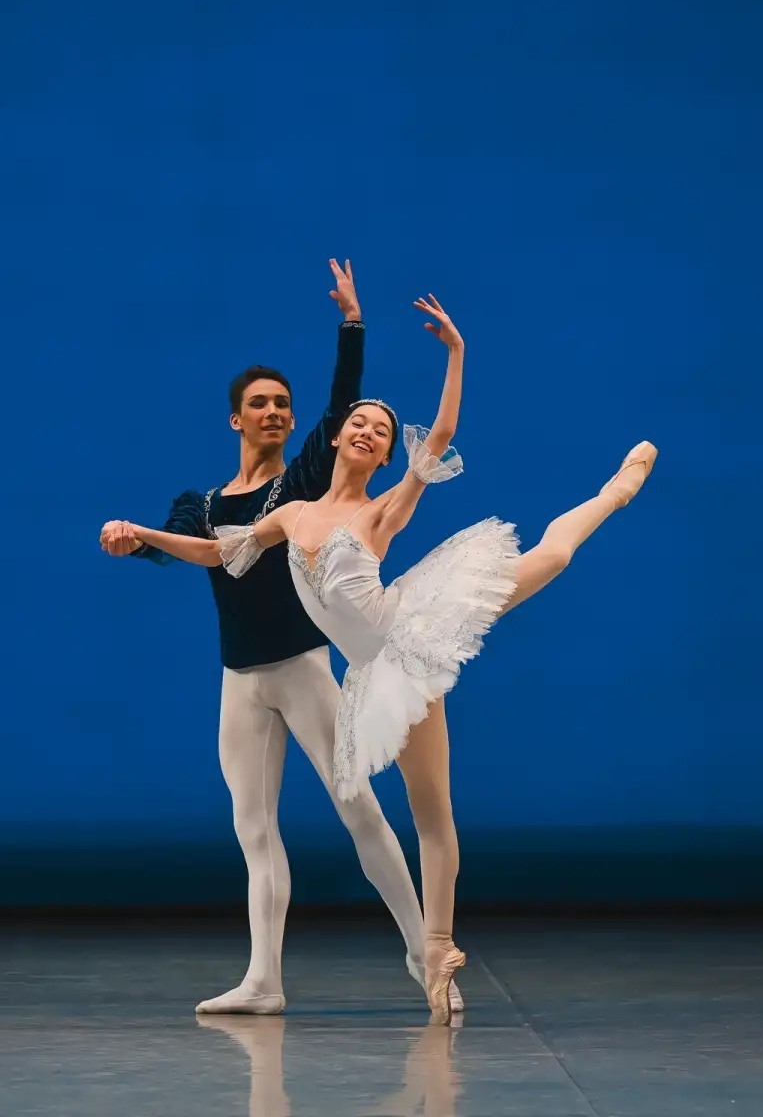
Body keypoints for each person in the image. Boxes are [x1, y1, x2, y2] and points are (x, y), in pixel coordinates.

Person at [113, 295, 658, 1022]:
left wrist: (455, 352)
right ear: (337, 435)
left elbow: (440, 434)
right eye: (359, 424)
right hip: (369, 672)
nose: (368, 432)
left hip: (416, 626)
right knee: (417, 814)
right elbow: (219, 552)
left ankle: (614, 492)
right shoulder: (287, 512)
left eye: (381, 430)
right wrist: (140, 533)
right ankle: (416, 957)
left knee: (550, 556)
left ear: (380, 450)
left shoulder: (383, 507)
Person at [98, 261, 457, 1017]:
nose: (272, 412)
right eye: (258, 404)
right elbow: (190, 549)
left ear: (296, 425)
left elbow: (344, 405)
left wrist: (352, 324)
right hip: (242, 681)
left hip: (302, 671)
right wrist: (136, 537)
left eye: (282, 405)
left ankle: (422, 952)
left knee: (359, 811)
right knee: (253, 829)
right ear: (235, 419)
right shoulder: (202, 504)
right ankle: (264, 981)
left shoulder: (299, 486)